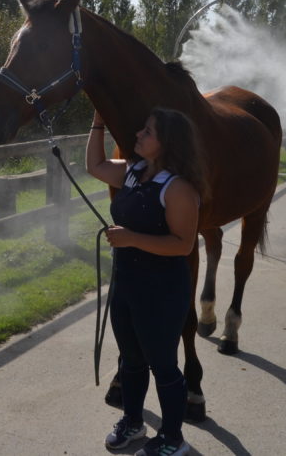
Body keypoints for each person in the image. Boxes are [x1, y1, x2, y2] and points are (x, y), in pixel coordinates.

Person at [86, 107, 208, 456]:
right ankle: (133, 422)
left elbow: (183, 244)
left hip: (161, 290)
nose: (138, 134)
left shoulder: (178, 188)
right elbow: (94, 166)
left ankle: (173, 439)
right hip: (126, 284)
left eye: (148, 132)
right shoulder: (133, 171)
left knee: (163, 365)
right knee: (131, 359)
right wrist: (98, 121)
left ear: (167, 143)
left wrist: (133, 239)